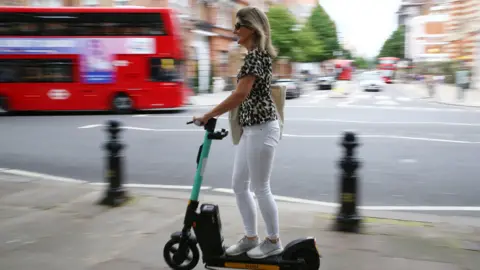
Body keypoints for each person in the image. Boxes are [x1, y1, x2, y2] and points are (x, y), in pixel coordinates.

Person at [192, 6, 282, 259]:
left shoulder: (256, 57)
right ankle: (251, 237)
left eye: (238, 26)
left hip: (262, 129)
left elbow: (240, 94)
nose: (234, 31)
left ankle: (273, 240)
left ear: (251, 28)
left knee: (260, 187)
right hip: (252, 130)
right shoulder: (253, 55)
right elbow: (243, 96)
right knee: (239, 185)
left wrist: (209, 114)